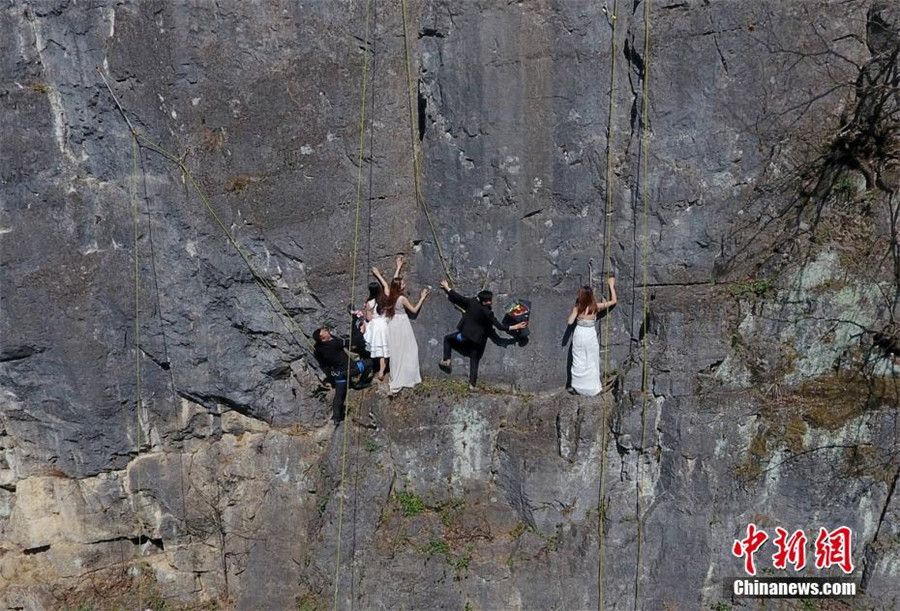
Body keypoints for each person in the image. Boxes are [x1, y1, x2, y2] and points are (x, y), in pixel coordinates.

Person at [437, 280, 528, 390]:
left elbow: (459, 298)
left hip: (464, 337)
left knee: (447, 339)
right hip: (477, 342)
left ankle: (446, 360)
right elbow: (499, 327)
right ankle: (472, 385)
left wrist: (447, 287)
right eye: (489, 301)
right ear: (486, 301)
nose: (490, 302)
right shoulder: (488, 313)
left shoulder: (472, 303)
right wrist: (516, 327)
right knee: (474, 360)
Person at [372, 256, 429, 395]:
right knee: (410, 349)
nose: (404, 284)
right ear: (399, 287)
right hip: (402, 323)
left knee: (396, 351)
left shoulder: (390, 295)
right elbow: (414, 310)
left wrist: (397, 267)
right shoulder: (402, 298)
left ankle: (398, 374)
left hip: (392, 324)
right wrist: (422, 297)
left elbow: (391, 283)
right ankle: (408, 376)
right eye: (402, 284)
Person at [566, 276, 617, 396]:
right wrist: (611, 286)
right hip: (589, 334)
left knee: (578, 359)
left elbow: (570, 321)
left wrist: (575, 309)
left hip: (579, 333)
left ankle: (577, 386)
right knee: (591, 360)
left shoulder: (578, 308)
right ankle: (592, 388)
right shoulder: (595, 307)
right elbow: (614, 301)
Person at [313, 327, 373, 423]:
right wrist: (361, 332)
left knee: (340, 394)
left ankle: (336, 417)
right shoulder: (333, 344)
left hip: (338, 374)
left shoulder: (318, 349)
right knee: (370, 362)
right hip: (352, 369)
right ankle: (360, 383)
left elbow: (324, 364)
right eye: (324, 331)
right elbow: (352, 342)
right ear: (322, 337)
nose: (327, 331)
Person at [362, 281, 390, 380]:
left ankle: (381, 370)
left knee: (381, 349)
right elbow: (386, 286)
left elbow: (369, 318)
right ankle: (382, 370)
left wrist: (365, 310)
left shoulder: (370, 303)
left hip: (376, 326)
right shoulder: (385, 299)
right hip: (385, 323)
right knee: (385, 349)